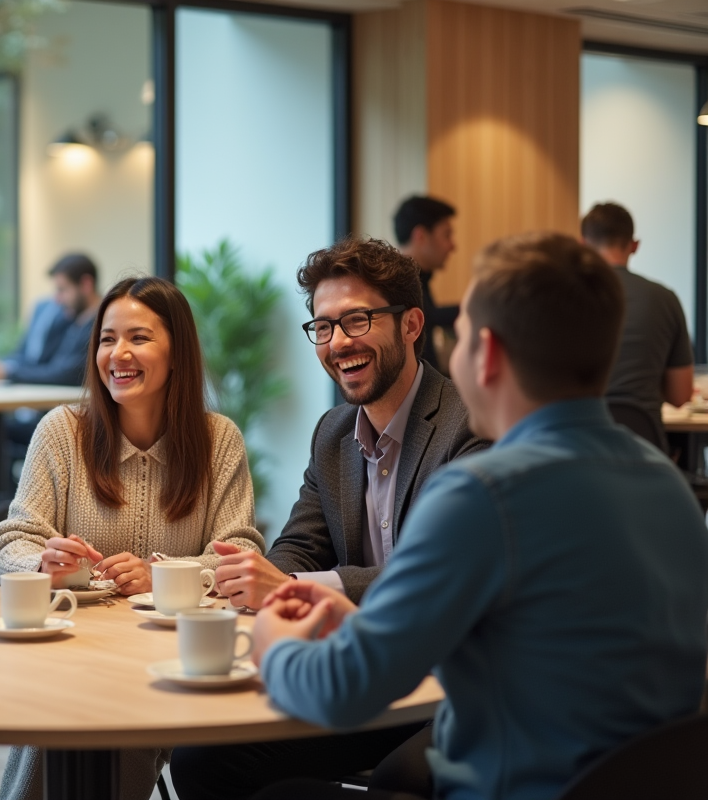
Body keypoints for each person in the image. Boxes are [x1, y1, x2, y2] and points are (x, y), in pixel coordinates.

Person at [249, 232, 708, 800]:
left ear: (487, 355)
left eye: (460, 337)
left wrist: (272, 643)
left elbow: (343, 690)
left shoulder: (485, 493)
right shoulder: (668, 484)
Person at [171, 238, 485, 800]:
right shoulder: (334, 433)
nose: (338, 343)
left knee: (404, 779)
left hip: (449, 681)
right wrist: (262, 578)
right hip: (363, 673)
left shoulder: (466, 426)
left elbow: (439, 579)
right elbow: (298, 545)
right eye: (323, 327)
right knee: (206, 756)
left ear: (411, 325)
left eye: (356, 321)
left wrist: (292, 586)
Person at [0, 276, 266, 800]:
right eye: (107, 339)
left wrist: (163, 577)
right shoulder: (61, 431)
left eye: (139, 338)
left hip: (173, 662)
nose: (118, 354)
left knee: (122, 721)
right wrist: (42, 563)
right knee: (67, 718)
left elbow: (242, 552)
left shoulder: (218, 440)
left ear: (177, 352)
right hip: (72, 653)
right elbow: (12, 540)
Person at [582, 201, 693, 450]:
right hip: (645, 450)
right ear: (634, 246)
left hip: (577, 449)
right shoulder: (664, 299)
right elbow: (680, 396)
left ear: (582, 245)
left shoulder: (563, 297)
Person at [0, 252, 102, 386]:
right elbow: (48, 366)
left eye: (63, 290)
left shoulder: (101, 324)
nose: (57, 299)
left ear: (86, 284)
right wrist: (2, 366)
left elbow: (66, 374)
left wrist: (9, 372)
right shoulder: (72, 321)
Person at [394, 195, 458, 371]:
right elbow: (429, 316)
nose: (452, 246)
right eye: (447, 235)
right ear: (420, 235)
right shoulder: (396, 287)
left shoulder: (419, 279)